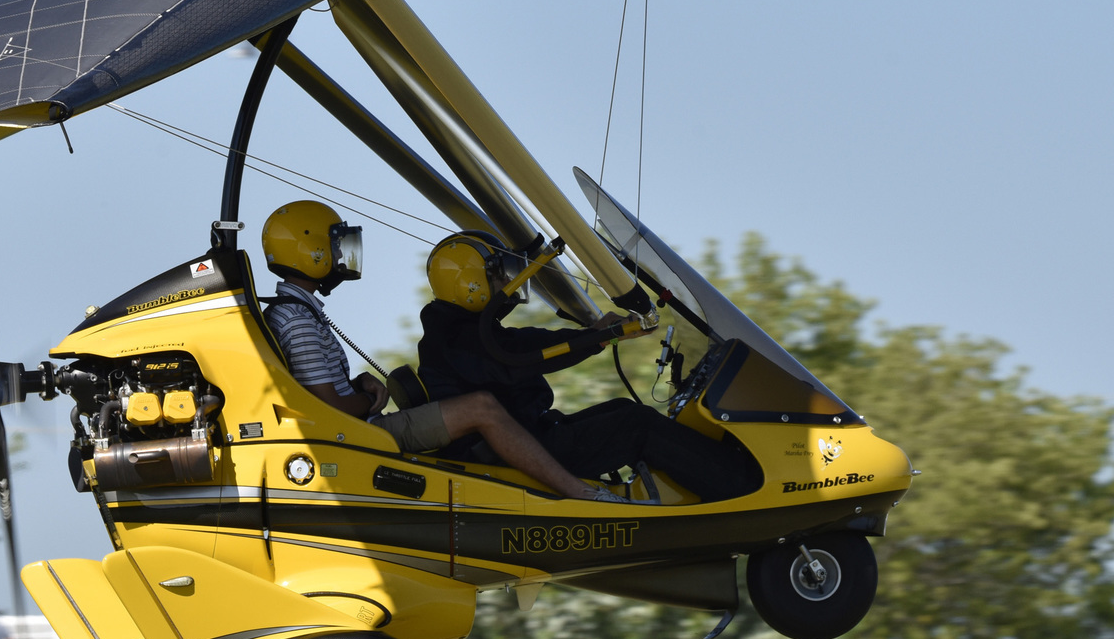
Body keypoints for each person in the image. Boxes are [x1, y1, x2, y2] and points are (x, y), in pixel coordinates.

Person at [258, 201, 630, 502]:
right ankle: (579, 493)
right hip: (362, 431)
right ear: (312, 248)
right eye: (336, 244)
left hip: (360, 423)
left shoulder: (298, 313)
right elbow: (332, 409)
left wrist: (360, 386)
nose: (341, 254)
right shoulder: (297, 319)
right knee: (480, 406)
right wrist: (368, 398)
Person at [413, 231, 757, 504]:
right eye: (500, 273)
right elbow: (516, 355)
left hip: (522, 439)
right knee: (636, 426)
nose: (509, 282)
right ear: (470, 281)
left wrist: (595, 336)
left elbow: (520, 345)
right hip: (506, 455)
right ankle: (746, 490)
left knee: (623, 410)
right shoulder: (457, 337)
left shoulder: (456, 332)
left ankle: (684, 490)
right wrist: (596, 337)